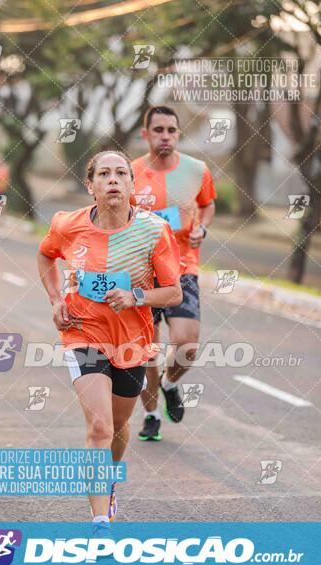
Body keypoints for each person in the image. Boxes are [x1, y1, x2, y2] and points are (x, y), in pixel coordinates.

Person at [37, 150, 182, 539]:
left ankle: (109, 481)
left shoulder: (153, 231)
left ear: (133, 186)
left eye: (121, 173)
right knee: (98, 426)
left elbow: (173, 293)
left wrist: (137, 296)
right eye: (104, 174)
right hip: (82, 333)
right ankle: (100, 522)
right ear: (91, 185)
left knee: (118, 425)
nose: (113, 179)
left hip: (133, 341)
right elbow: (46, 255)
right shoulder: (68, 225)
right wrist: (55, 301)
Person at [132, 106, 216, 442]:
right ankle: (151, 416)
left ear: (178, 134)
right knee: (146, 352)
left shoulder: (197, 170)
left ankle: (169, 384)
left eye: (171, 130)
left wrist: (203, 229)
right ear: (146, 134)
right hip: (140, 273)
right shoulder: (131, 172)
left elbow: (207, 204)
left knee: (186, 345)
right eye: (158, 130)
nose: (165, 136)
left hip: (182, 268)